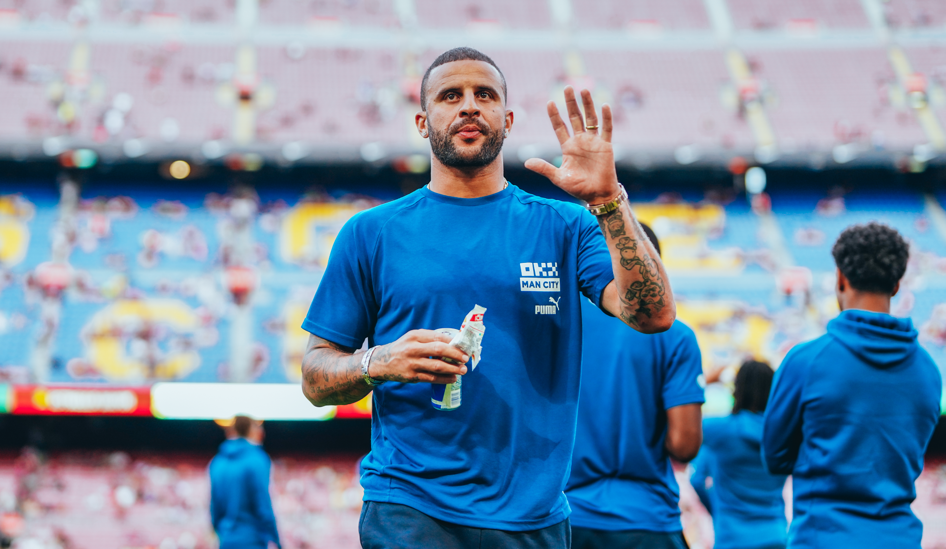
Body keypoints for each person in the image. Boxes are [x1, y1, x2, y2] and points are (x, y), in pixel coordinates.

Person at [299, 47, 676, 549]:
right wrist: (379, 361)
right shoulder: (370, 233)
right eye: (450, 95)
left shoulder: (565, 226)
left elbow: (653, 314)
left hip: (533, 515)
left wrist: (608, 202)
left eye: (485, 95)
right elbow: (315, 379)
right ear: (422, 121)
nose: (469, 106)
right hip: (409, 508)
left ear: (509, 118)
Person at [763, 222, 942, 549]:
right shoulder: (929, 371)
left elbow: (775, 457)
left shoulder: (806, 361)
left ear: (840, 279)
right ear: (897, 285)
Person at [566, 223, 702, 549]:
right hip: (647, 519)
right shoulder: (676, 336)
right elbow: (684, 445)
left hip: (569, 516)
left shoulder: (561, 325)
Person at [690, 360, 788, 549]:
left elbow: (681, 423)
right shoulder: (784, 434)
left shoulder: (723, 430)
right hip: (776, 534)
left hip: (733, 537)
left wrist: (706, 381)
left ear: (737, 388)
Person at [209, 416, 281, 549]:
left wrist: (221, 533)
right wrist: (277, 540)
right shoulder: (257, 459)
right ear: (251, 430)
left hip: (226, 540)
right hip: (252, 541)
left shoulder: (217, 462)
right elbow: (263, 506)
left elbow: (214, 506)